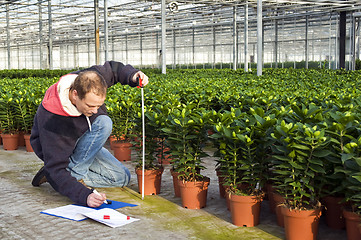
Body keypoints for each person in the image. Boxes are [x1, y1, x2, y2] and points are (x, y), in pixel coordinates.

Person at [30, 61, 149, 208]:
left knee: (122, 178)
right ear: (75, 95)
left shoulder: (89, 79)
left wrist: (132, 75)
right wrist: (84, 195)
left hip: (86, 141)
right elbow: (56, 167)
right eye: (90, 106)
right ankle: (63, 175)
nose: (95, 110)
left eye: (99, 106)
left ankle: (64, 174)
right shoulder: (52, 119)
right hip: (62, 151)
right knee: (103, 123)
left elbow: (113, 70)